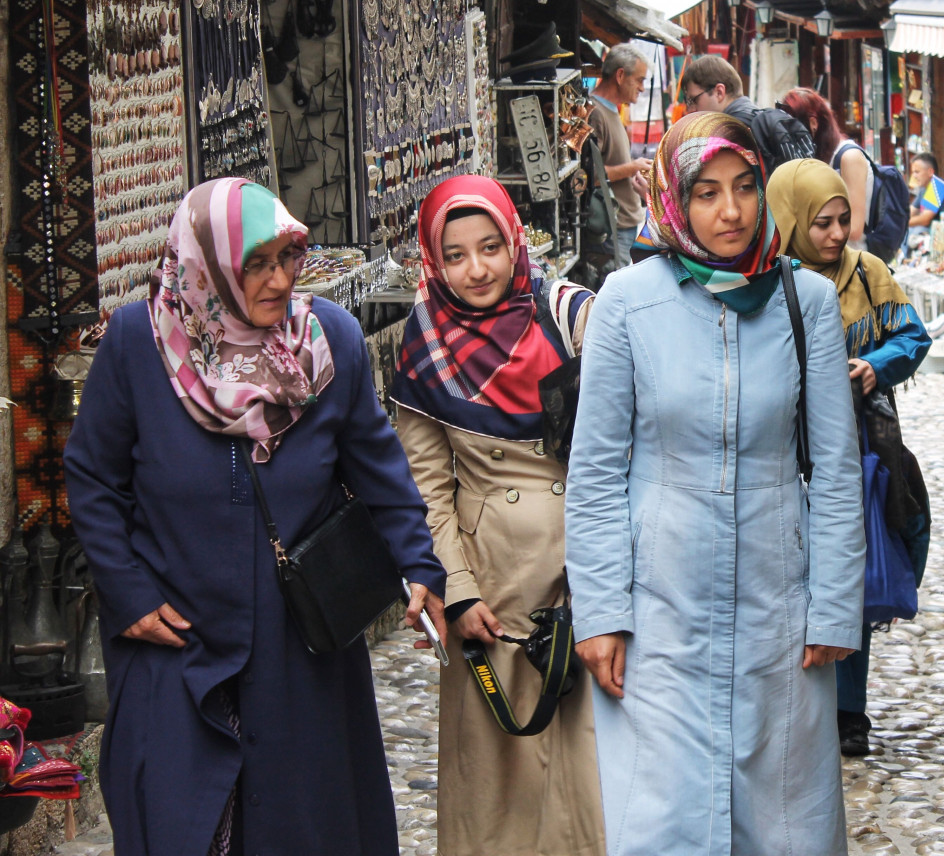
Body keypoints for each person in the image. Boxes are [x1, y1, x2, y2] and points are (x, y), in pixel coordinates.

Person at [63, 178, 447, 856]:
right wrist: (128, 594)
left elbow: (379, 467)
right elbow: (94, 476)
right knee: (179, 821)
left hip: (298, 643)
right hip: (176, 640)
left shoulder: (328, 343)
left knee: (304, 824)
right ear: (206, 267)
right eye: (256, 265)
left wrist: (419, 565)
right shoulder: (137, 344)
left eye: (288, 257)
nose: (279, 281)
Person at [565, 112, 864, 856]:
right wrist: (599, 610)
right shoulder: (627, 304)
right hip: (659, 613)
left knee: (783, 823)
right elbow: (596, 471)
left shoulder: (808, 302)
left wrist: (832, 606)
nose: (729, 212)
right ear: (674, 198)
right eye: (705, 192)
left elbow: (833, 468)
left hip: (779, 607)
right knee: (663, 822)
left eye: (744, 188)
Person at [391, 175, 605, 856]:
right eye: (455, 255)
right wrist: (456, 589)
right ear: (433, 260)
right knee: (498, 782)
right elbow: (424, 485)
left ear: (516, 240)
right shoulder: (425, 341)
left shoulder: (571, 314)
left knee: (591, 775)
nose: (477, 269)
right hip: (495, 588)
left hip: (586, 567)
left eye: (490, 247)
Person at [767, 158, 931, 758]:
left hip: (860, 452)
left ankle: (848, 714)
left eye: (842, 221)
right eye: (822, 224)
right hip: (783, 454)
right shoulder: (766, 281)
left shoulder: (867, 274)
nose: (837, 235)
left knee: (847, 577)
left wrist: (875, 366)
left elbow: (913, 336)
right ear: (789, 222)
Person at [679, 54, 815, 173]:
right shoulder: (761, 120)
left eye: (693, 100)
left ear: (719, 92)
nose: (691, 109)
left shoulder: (730, 135)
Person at [778, 87, 873, 248]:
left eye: (792, 128)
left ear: (813, 124)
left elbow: (855, 228)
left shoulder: (849, 157)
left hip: (850, 261)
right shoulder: (814, 158)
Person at [589, 44, 652, 268]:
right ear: (620, 75)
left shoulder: (611, 110)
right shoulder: (596, 113)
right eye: (640, 80)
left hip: (623, 223)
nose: (642, 88)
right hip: (612, 227)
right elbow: (591, 176)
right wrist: (632, 167)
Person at [907, 152, 944, 228]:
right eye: (913, 172)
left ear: (930, 172)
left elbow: (925, 220)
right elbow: (910, 212)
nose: (914, 176)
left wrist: (900, 223)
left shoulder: (938, 186)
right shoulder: (923, 189)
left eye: (917, 172)